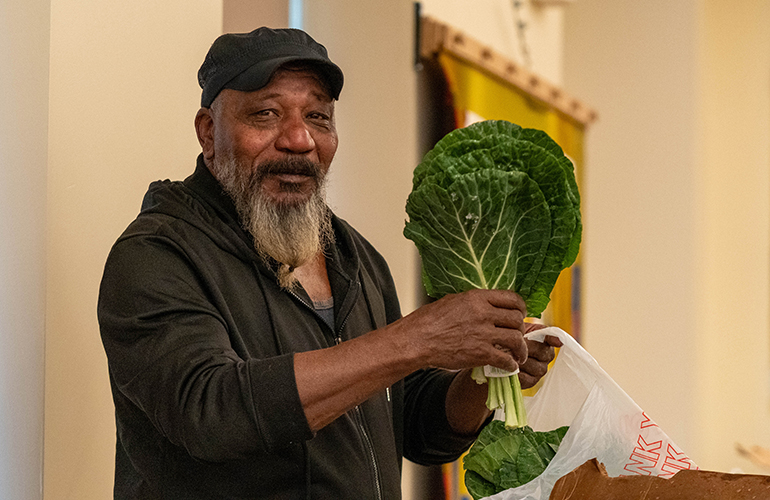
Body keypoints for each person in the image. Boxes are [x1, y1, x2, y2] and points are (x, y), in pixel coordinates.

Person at [98, 26, 560, 500]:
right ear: (208, 132)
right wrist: (415, 339)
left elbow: (414, 425)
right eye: (266, 114)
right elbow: (212, 412)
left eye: (318, 116)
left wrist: (485, 372)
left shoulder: (354, 257)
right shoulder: (157, 254)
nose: (299, 139)